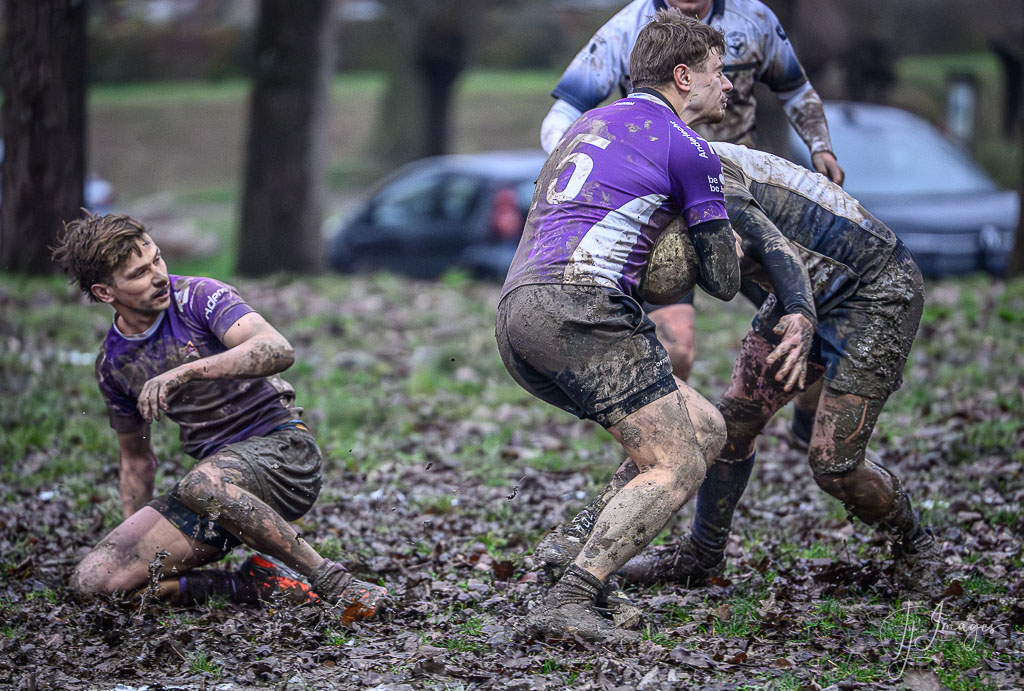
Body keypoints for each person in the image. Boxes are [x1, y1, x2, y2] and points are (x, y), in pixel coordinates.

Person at [539, 142, 942, 595]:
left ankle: (918, 546)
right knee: (731, 426)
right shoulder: (639, 190)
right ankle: (702, 555)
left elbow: (774, 247)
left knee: (835, 465)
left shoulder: (699, 169)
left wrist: (800, 313)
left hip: (874, 288)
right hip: (804, 290)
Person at [496, 10, 752, 643]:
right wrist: (730, 244)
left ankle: (574, 545)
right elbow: (723, 283)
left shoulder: (587, 124)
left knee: (706, 426)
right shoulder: (689, 148)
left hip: (517, 310)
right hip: (582, 309)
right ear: (683, 76)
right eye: (719, 72)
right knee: (677, 460)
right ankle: (573, 597)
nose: (729, 86)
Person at [52, 213, 386, 622]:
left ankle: (339, 585)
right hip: (213, 492)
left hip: (284, 455)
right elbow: (136, 462)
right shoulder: (114, 365)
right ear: (105, 292)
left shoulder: (199, 297)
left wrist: (189, 370)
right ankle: (250, 584)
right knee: (96, 582)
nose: (158, 276)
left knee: (202, 483)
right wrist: (139, 541)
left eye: (157, 259)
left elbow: (277, 348)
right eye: (139, 273)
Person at [541, 0, 843, 443]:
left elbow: (796, 90)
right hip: (663, 208)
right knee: (676, 346)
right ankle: (658, 442)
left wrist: (821, 146)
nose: (726, 83)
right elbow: (564, 111)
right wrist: (573, 165)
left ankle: (806, 422)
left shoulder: (755, 19)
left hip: (736, 193)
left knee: (812, 310)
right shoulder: (627, 28)